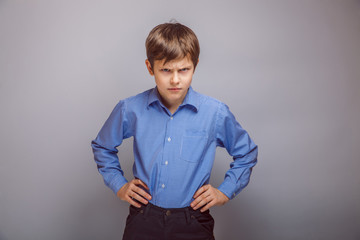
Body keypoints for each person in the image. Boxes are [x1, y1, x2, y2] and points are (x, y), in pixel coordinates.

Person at [91, 22, 258, 240]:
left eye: (184, 70)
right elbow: (102, 146)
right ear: (150, 68)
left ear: (195, 66)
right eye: (166, 70)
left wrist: (225, 190)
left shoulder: (214, 113)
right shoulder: (130, 109)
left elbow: (246, 152)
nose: (175, 79)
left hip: (193, 221)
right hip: (143, 218)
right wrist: (119, 185)